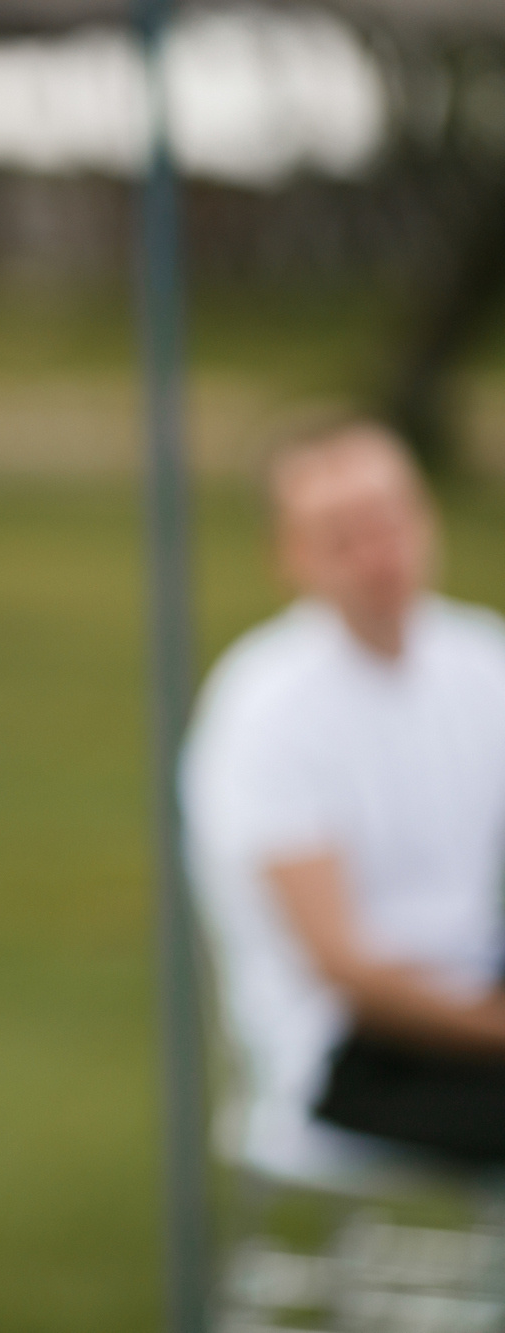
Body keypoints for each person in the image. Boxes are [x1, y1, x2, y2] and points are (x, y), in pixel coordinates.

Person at [183, 423, 505, 1182]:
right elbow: (344, 965)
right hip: (345, 1055)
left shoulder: (480, 662)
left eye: (391, 518)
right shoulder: (264, 708)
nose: (378, 552)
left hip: (474, 993)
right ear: (288, 555)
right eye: (341, 534)